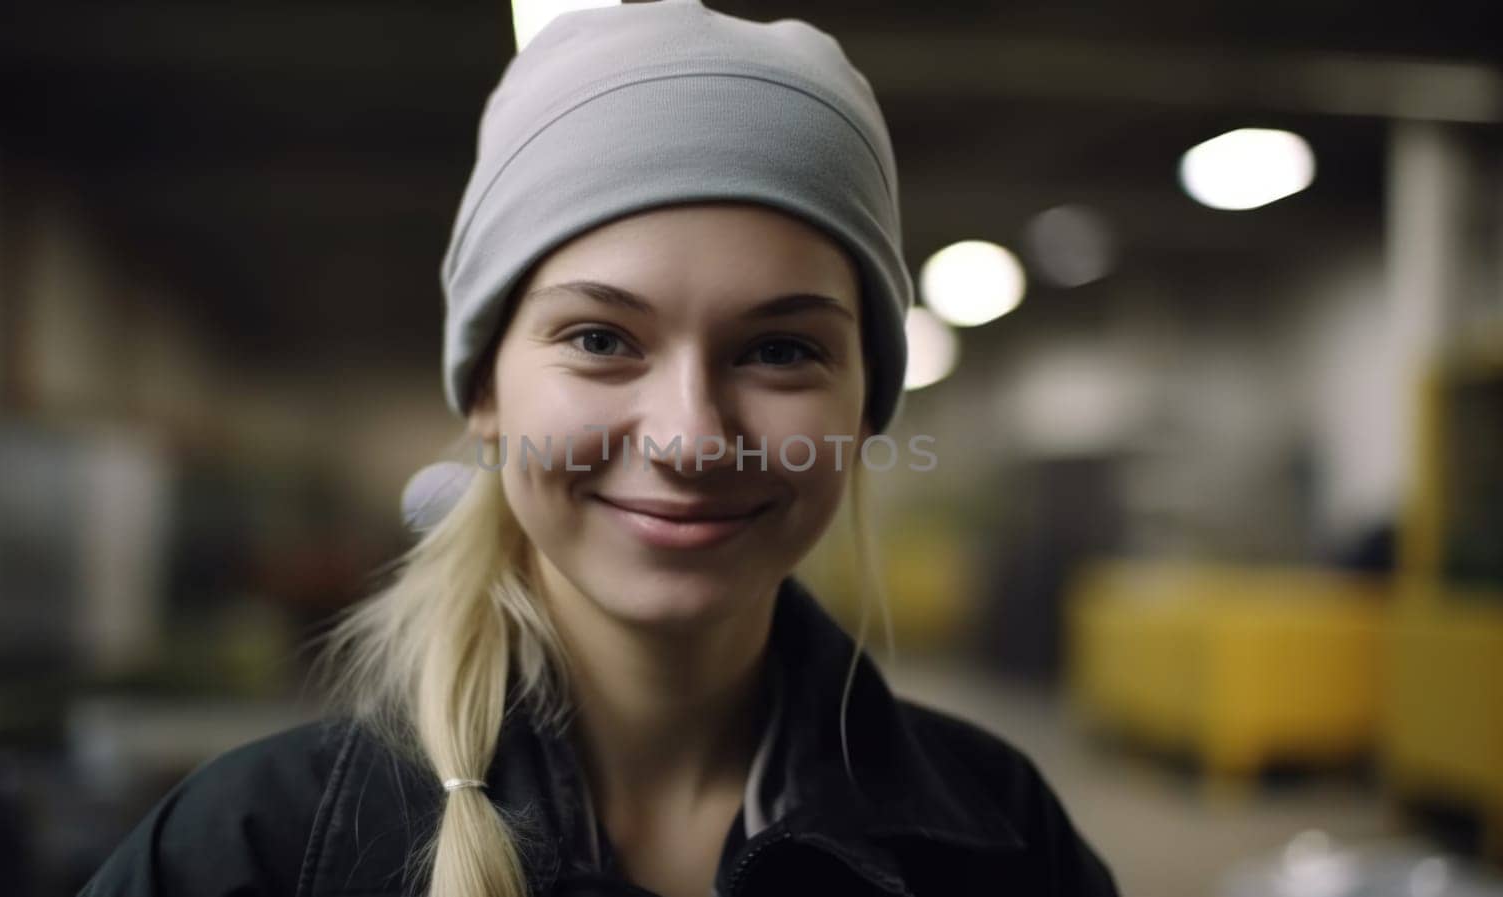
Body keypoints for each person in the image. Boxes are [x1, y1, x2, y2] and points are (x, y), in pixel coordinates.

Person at [77, 2, 1119, 895]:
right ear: (486, 385)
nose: (690, 438)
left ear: (864, 407)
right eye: (600, 339)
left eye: (780, 348)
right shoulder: (248, 856)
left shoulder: (1002, 841)